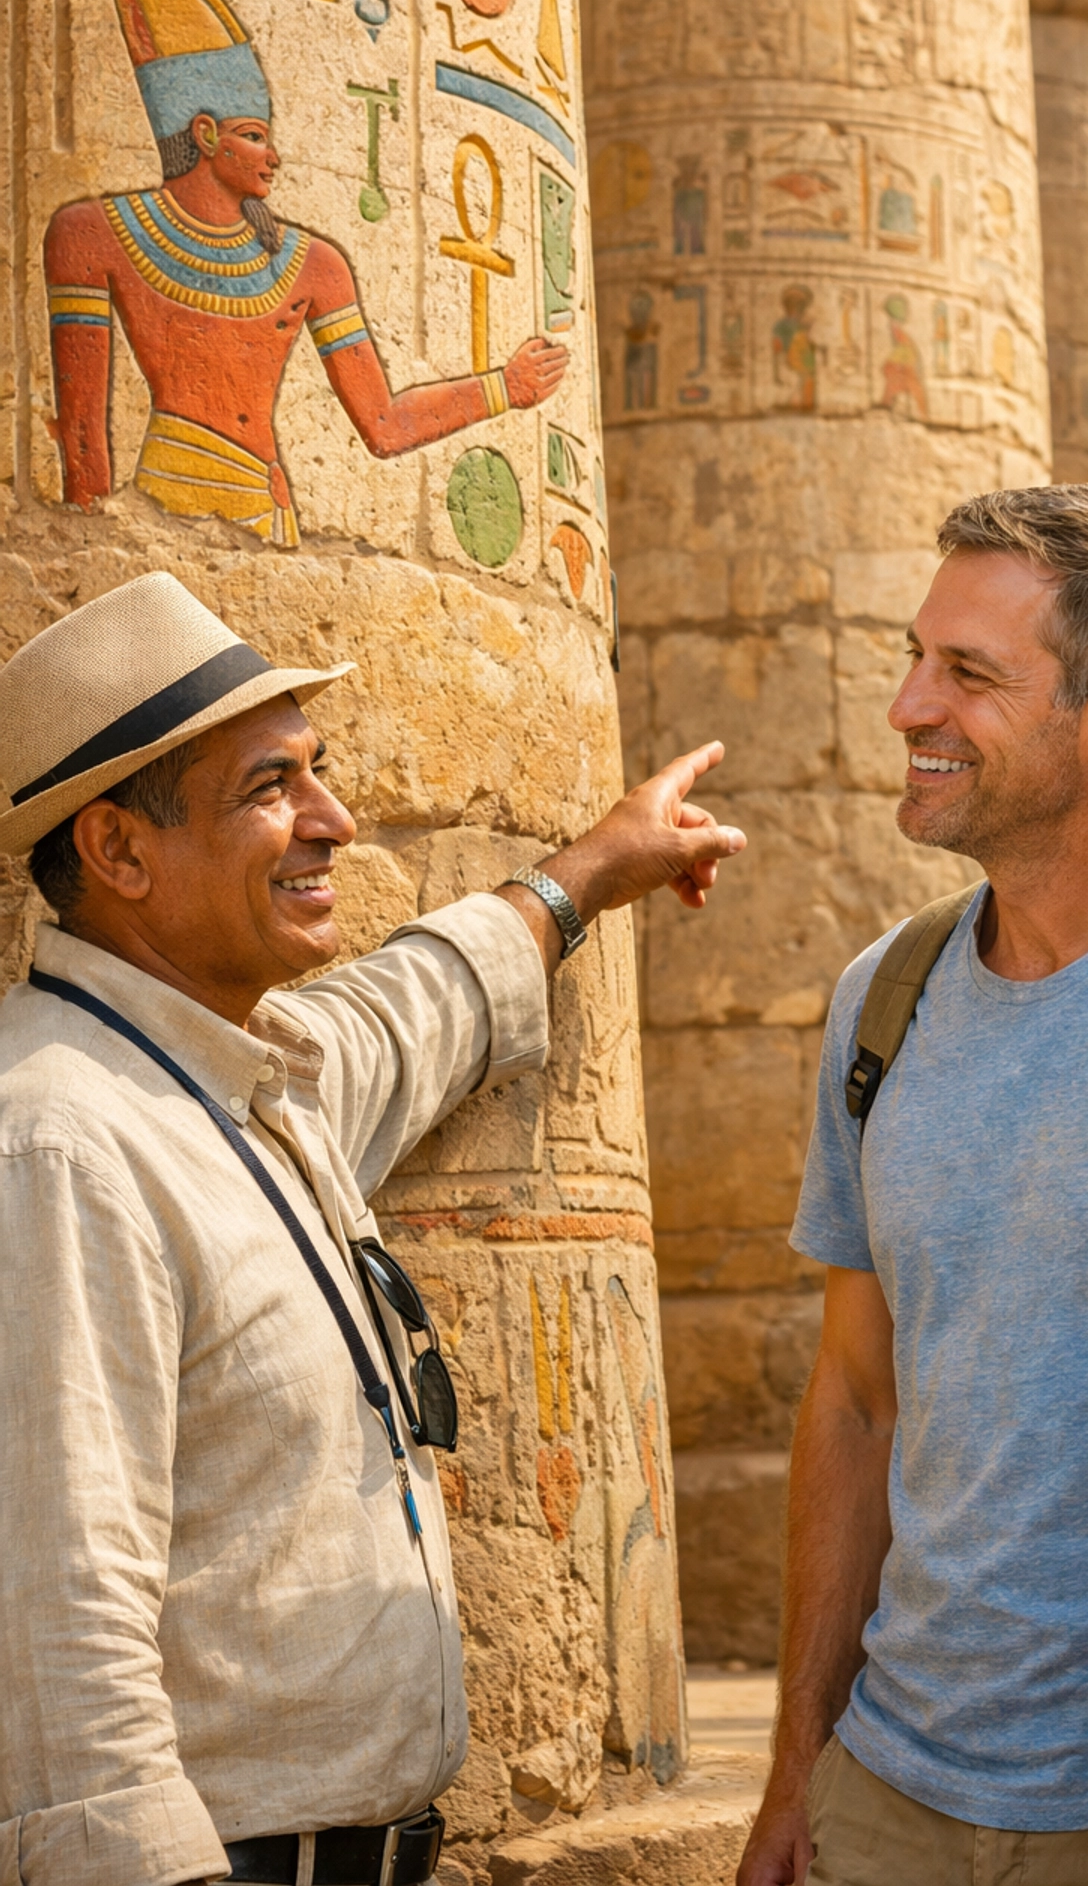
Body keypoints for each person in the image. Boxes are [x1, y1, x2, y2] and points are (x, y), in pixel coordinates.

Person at [0, 570, 744, 1886]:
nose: (334, 823)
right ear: (119, 852)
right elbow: (60, 1611)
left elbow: (420, 1004)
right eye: (269, 787)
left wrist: (592, 874)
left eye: (316, 773)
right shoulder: (62, 1140)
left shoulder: (245, 1076)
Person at [738, 486, 1088, 1886]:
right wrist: (799, 1766)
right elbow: (853, 1397)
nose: (908, 705)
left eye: (968, 674)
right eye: (917, 656)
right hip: (888, 1794)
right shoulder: (880, 1003)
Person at [45, 0, 565, 546]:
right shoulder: (92, 234)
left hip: (268, 515)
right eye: (255, 136)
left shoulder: (312, 264)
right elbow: (85, 439)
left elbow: (385, 425)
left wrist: (503, 387)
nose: (274, 157)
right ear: (206, 136)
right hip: (159, 508)